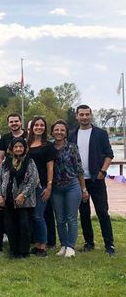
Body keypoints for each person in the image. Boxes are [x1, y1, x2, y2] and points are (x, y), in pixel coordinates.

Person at [68, 105, 115, 255]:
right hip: (79, 180)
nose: (84, 117)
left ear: (91, 115)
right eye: (81, 114)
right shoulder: (72, 134)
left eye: (87, 114)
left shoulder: (100, 134)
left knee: (102, 212)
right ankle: (89, 242)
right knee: (84, 213)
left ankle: (109, 245)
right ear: (77, 116)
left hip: (97, 179)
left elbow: (109, 154)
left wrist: (103, 171)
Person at [0, 137, 39, 259]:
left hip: (25, 201)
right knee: (10, 226)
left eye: (21, 146)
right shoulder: (5, 162)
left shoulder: (29, 162)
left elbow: (33, 180)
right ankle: (14, 251)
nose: (18, 149)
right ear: (12, 149)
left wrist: (23, 195)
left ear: (25, 148)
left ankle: (23, 252)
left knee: (24, 226)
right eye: (16, 147)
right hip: (8, 200)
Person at [51, 120, 88, 258]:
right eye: (56, 129)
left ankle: (71, 247)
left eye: (62, 130)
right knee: (59, 219)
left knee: (71, 218)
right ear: (52, 131)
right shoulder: (49, 147)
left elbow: (79, 169)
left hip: (72, 186)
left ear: (66, 132)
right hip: (56, 188)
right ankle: (64, 245)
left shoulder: (72, 147)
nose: (59, 132)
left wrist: (83, 189)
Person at [26, 116, 56, 257]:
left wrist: (49, 186)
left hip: (41, 185)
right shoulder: (26, 144)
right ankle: (36, 244)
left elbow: (50, 167)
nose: (39, 127)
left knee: (39, 216)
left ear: (45, 128)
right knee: (32, 216)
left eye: (41, 125)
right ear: (32, 128)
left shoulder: (48, 146)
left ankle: (43, 246)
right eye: (36, 125)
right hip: (26, 186)